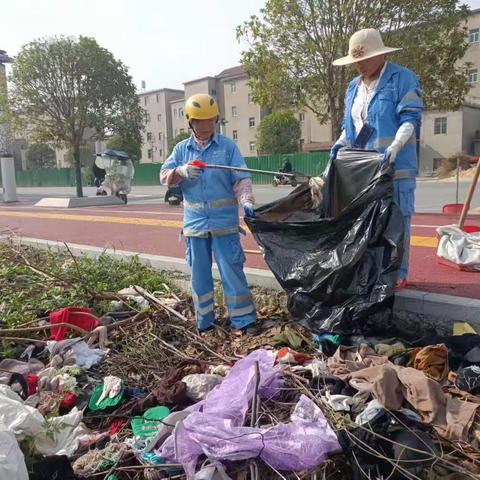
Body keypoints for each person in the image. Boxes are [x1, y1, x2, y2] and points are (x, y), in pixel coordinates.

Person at [331, 28, 424, 290]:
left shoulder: (401, 79)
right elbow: (351, 127)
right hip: (364, 170)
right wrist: (339, 144)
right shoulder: (353, 87)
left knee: (398, 220)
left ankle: (399, 274)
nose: (359, 66)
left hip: (396, 167)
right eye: (356, 62)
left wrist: (395, 146)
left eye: (364, 60)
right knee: (370, 221)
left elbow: (410, 119)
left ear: (380, 56)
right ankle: (372, 272)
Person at [160, 93, 258, 334]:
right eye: (198, 121)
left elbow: (241, 178)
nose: (205, 126)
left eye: (209, 121)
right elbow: (164, 176)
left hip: (224, 223)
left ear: (216, 120)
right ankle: (205, 322)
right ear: (190, 122)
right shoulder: (181, 149)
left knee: (231, 271)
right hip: (195, 224)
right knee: (199, 275)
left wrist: (246, 200)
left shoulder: (227, 147)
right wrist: (180, 172)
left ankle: (243, 320)